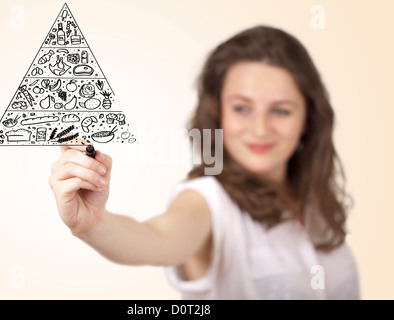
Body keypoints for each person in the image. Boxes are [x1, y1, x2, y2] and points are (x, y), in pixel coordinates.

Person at [48, 26, 359, 299]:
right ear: (218, 114)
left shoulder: (316, 208)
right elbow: (159, 239)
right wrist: (95, 224)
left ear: (308, 119)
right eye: (241, 108)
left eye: (280, 111)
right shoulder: (207, 199)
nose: (261, 129)